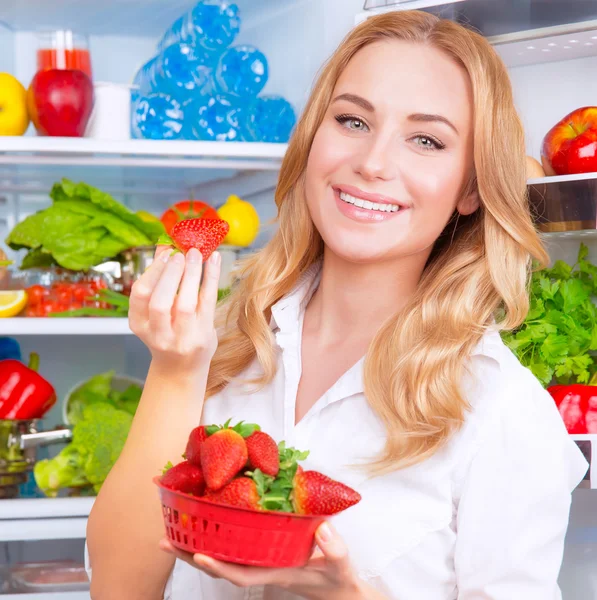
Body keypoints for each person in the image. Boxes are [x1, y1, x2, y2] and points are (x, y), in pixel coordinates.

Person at [86, 10, 588, 600]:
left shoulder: (497, 407)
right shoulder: (225, 342)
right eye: (352, 120)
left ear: (471, 188)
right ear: (312, 141)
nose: (373, 163)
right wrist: (174, 370)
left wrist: (343, 595)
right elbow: (118, 590)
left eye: (426, 140)